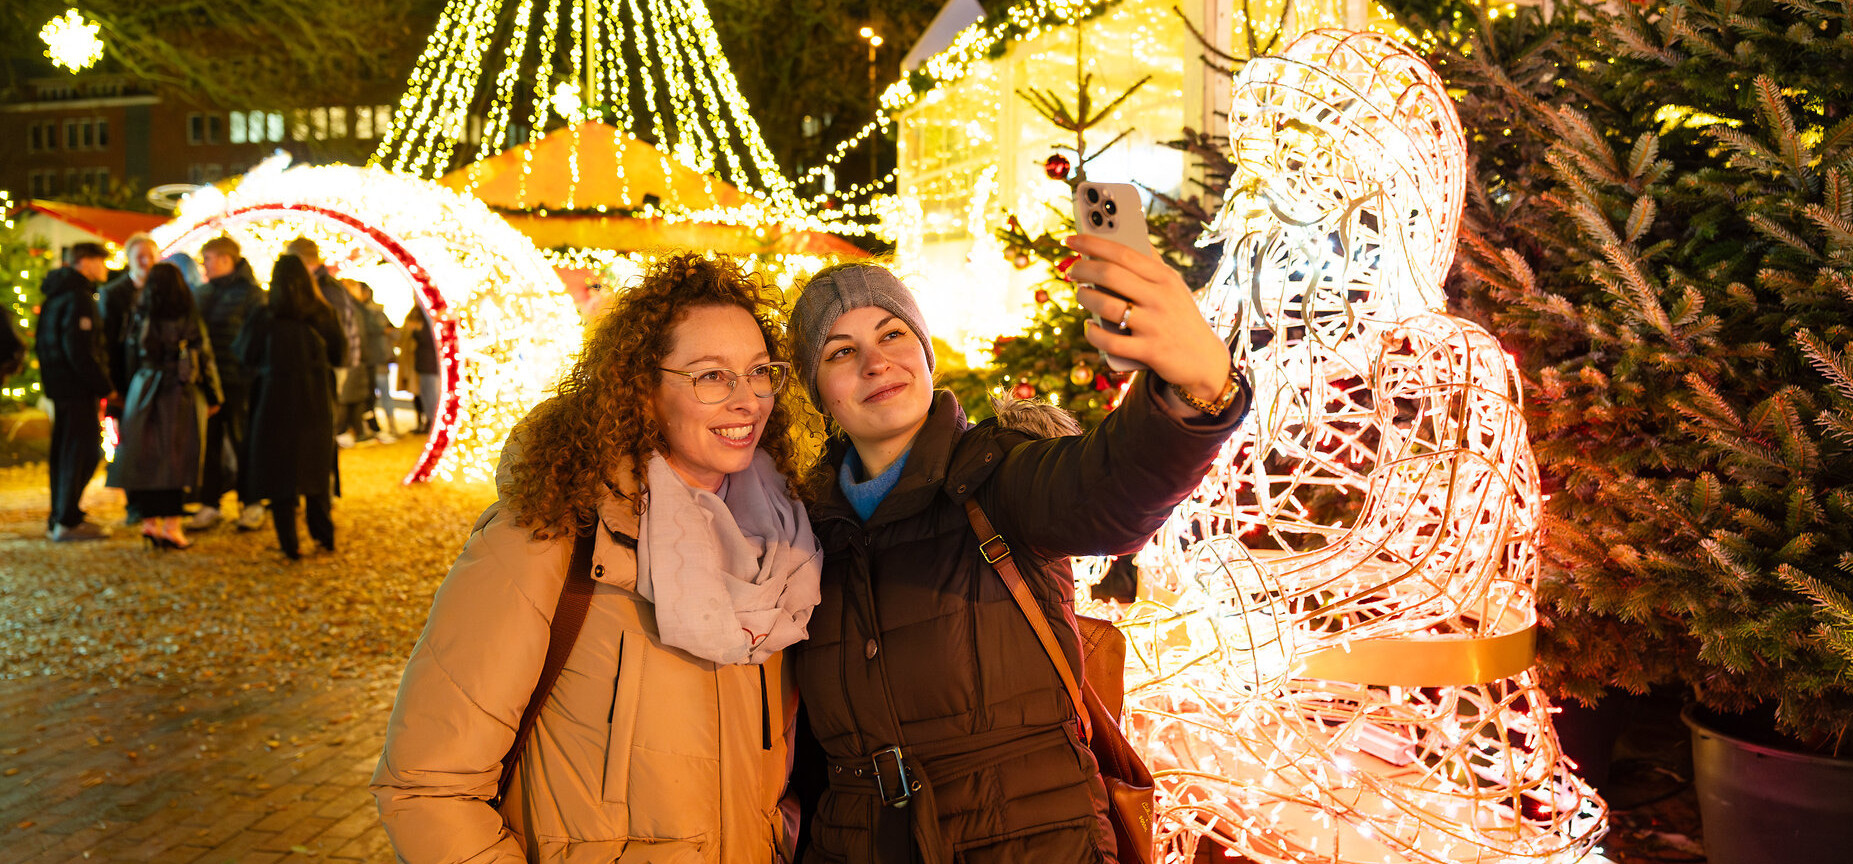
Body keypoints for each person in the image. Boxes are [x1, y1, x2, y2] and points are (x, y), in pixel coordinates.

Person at [785, 239, 1250, 864]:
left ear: (925, 356)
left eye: (893, 334)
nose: (876, 363)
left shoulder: (998, 477)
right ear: (819, 393)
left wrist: (1192, 388)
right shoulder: (800, 534)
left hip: (1032, 841)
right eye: (842, 351)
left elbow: (1110, 486)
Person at [372, 254, 821, 864]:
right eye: (711, 376)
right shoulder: (548, 539)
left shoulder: (789, 546)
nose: (747, 400)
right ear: (642, 389)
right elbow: (428, 786)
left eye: (759, 372)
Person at [233, 254, 345, 560]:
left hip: (274, 397)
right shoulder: (323, 313)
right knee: (316, 466)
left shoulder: (264, 314)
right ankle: (324, 536)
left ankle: (289, 543)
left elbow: (245, 355)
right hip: (314, 396)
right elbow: (339, 354)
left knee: (280, 469)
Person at [106, 262, 222, 550]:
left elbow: (125, 354)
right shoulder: (188, 315)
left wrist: (122, 393)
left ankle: (149, 523)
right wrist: (214, 395)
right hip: (179, 391)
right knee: (176, 457)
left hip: (143, 388)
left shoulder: (139, 313)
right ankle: (172, 526)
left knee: (144, 457)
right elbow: (204, 356)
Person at [34, 242, 117, 542]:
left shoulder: (56, 295)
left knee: (66, 451)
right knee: (82, 453)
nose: (105, 268)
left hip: (60, 388)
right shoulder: (79, 298)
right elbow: (80, 350)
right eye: (101, 261)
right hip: (77, 389)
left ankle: (61, 515)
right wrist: (104, 385)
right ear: (86, 262)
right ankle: (67, 520)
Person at [187, 235, 268, 531]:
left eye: (207, 259)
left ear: (224, 259)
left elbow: (258, 338)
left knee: (243, 442)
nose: (204, 265)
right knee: (209, 446)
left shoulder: (250, 294)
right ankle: (210, 503)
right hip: (208, 382)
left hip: (238, 382)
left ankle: (251, 502)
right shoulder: (202, 293)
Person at [285, 236, 366, 447]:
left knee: (323, 412)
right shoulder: (325, 285)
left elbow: (333, 332)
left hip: (330, 362)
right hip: (330, 361)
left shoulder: (325, 288)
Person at [97, 233, 159, 417]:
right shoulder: (112, 293)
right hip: (125, 377)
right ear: (129, 259)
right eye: (140, 256)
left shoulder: (165, 291)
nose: (146, 261)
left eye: (151, 256)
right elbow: (106, 341)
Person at [347, 279, 398, 443]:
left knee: (371, 395)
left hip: (371, 358)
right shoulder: (363, 310)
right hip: (372, 358)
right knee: (374, 395)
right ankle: (374, 427)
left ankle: (372, 427)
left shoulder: (362, 310)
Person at [399, 304, 439, 434]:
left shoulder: (430, 320)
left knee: (431, 397)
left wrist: (415, 331)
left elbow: (427, 340)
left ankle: (432, 424)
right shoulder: (426, 318)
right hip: (422, 365)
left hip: (429, 365)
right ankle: (429, 423)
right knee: (424, 396)